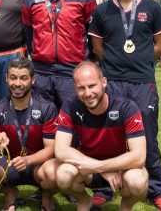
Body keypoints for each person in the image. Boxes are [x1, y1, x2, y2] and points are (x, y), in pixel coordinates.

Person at [89, 0, 161, 211]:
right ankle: (105, 189)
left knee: (147, 134)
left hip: (142, 82)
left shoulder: (153, 8)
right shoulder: (102, 10)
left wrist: (137, 61)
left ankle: (156, 191)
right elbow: (97, 47)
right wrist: (118, 63)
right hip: (113, 82)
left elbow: (160, 45)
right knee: (111, 135)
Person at [55, 61, 148, 211]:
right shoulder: (70, 106)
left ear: (104, 82)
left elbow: (139, 157)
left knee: (138, 182)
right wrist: (101, 169)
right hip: (87, 169)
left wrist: (100, 166)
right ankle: (85, 200)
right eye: (81, 88)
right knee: (62, 175)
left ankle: (126, 206)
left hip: (120, 170)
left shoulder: (127, 107)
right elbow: (60, 150)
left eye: (92, 86)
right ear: (75, 88)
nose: (88, 93)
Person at [22, 0, 97, 111]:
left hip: (72, 71)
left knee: (73, 120)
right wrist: (37, 53)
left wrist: (87, 60)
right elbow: (28, 32)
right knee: (42, 121)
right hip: (41, 72)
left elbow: (93, 32)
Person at [0, 57, 58, 211]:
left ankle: (46, 195)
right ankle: (9, 191)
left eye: (23, 78)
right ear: (6, 79)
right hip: (9, 165)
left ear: (33, 80)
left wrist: (28, 160)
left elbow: (52, 148)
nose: (17, 83)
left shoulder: (47, 108)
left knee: (54, 172)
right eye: (13, 77)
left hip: (39, 166)